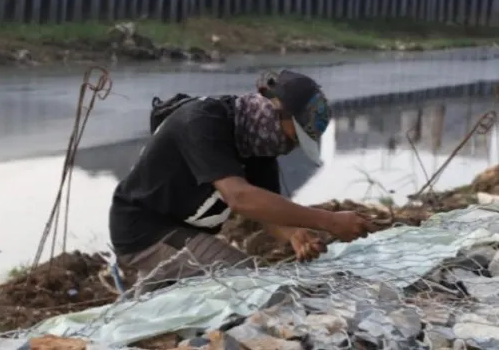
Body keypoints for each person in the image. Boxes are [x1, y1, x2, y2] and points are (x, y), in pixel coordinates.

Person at [109, 69, 376, 294]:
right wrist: (329, 221)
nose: (290, 148)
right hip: (144, 231)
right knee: (246, 279)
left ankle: (149, 298)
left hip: (184, 231)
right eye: (294, 138)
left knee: (216, 279)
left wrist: (293, 233)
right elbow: (240, 198)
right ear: (274, 110)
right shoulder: (202, 121)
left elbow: (267, 212)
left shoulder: (258, 146)